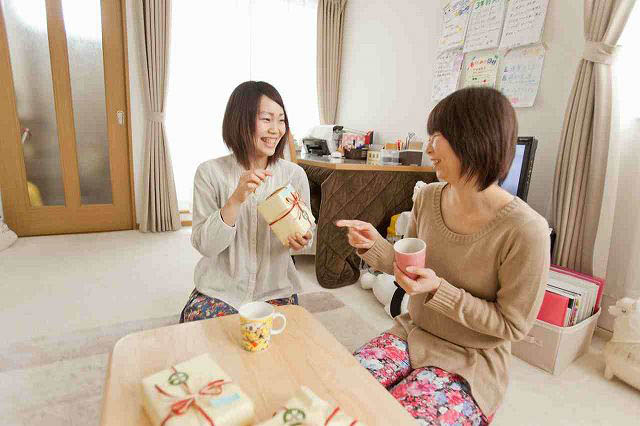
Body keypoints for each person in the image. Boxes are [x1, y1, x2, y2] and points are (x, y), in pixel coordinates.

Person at [337, 87, 550, 425]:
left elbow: (512, 325)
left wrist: (440, 291)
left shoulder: (527, 231)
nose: (428, 148)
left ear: (472, 139)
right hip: (412, 333)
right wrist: (373, 245)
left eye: (437, 137)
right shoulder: (428, 197)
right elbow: (410, 270)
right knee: (339, 394)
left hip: (471, 360)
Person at [180, 81, 312, 322]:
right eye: (266, 119)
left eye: (281, 120)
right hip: (221, 291)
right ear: (240, 121)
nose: (276, 130)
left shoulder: (294, 175)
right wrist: (235, 200)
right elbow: (205, 246)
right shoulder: (210, 173)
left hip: (276, 291)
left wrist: (302, 239)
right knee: (203, 336)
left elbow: (307, 236)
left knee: (285, 338)